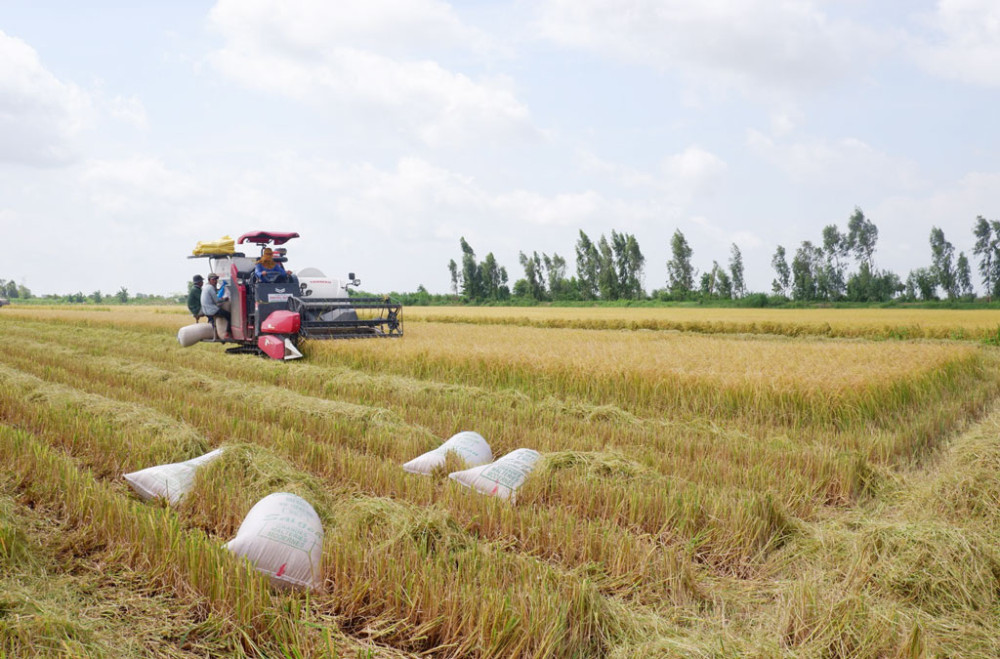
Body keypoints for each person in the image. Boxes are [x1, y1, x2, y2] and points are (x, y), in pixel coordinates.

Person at [200, 273, 230, 338]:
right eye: (213, 279)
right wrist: (224, 299)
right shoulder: (210, 288)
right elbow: (217, 301)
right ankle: (228, 333)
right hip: (211, 310)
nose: (215, 281)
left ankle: (214, 335)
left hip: (206, 310)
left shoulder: (206, 287)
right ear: (209, 280)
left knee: (212, 322)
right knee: (229, 315)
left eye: (216, 279)